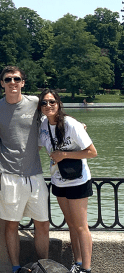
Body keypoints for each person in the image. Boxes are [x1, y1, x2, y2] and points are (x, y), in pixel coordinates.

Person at [0, 66, 49, 273]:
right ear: (2, 83)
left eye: (16, 79)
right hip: (9, 174)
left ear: (23, 82)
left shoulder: (34, 102)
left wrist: (75, 125)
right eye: (8, 79)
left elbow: (53, 115)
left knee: (42, 223)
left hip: (35, 174)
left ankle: (45, 266)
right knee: (12, 224)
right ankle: (15, 267)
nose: (12, 82)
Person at [38, 89, 96, 273]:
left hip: (78, 181)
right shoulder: (43, 125)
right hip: (58, 180)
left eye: (52, 102)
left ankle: (86, 268)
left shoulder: (71, 124)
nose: (48, 106)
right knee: (71, 224)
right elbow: (36, 145)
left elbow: (92, 152)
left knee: (81, 226)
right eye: (44, 103)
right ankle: (77, 263)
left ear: (59, 103)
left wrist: (64, 154)